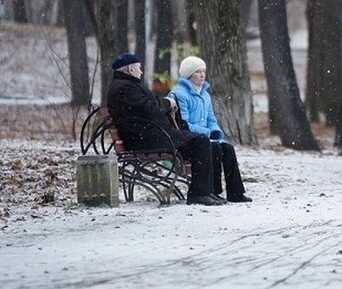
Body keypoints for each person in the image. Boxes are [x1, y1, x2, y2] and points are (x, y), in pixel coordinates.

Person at [106, 53, 224, 206]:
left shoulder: (126, 86)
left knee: (207, 143)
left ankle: (208, 192)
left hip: (150, 135)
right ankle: (199, 194)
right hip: (147, 139)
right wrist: (168, 103)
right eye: (139, 68)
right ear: (130, 69)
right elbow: (149, 109)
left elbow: (147, 107)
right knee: (200, 141)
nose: (141, 72)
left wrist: (165, 105)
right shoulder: (125, 88)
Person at [169, 56, 252, 203]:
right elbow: (184, 124)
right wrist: (207, 133)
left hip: (205, 138)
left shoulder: (205, 95)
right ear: (188, 75)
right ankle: (213, 191)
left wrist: (215, 132)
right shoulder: (179, 94)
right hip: (189, 140)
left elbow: (211, 119)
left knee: (227, 148)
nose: (202, 75)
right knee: (215, 148)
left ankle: (236, 193)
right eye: (197, 72)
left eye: (203, 71)